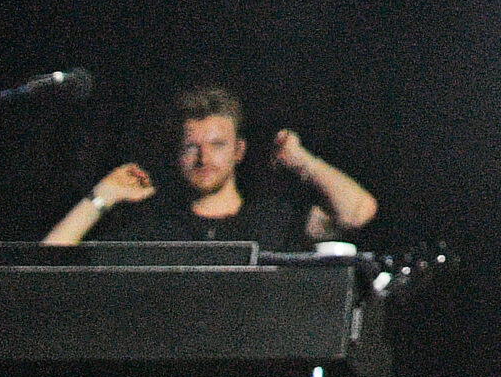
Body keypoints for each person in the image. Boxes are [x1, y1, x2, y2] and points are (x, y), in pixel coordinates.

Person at [44, 84, 377, 252]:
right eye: (192, 147)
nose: (203, 158)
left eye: (217, 145)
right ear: (178, 153)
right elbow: (46, 264)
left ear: (239, 151)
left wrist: (304, 161)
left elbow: (358, 212)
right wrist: (102, 195)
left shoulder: (275, 220)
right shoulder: (153, 231)